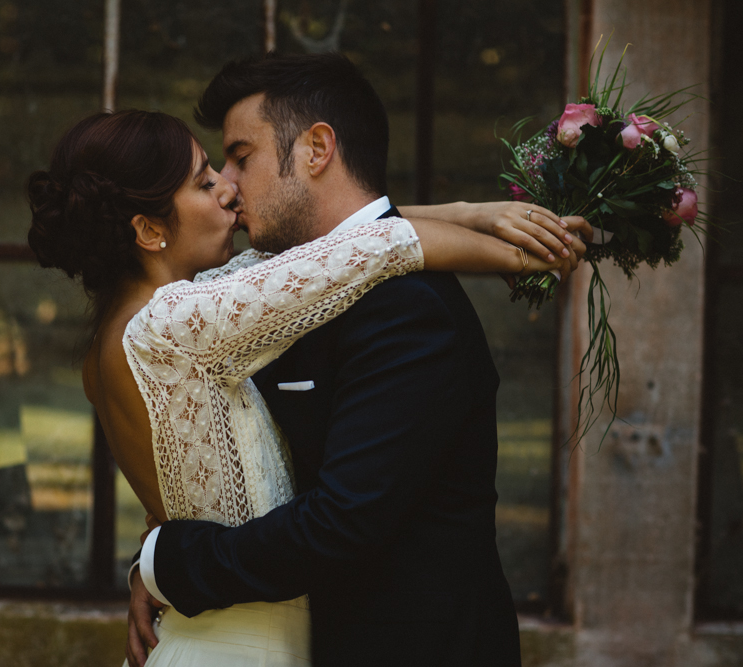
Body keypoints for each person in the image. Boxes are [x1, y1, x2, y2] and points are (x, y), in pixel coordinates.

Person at [123, 53, 592, 667]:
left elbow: (339, 525)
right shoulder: (282, 288)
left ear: (317, 149)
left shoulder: (406, 309)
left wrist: (168, 563)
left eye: (242, 156)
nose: (230, 184)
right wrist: (149, 562)